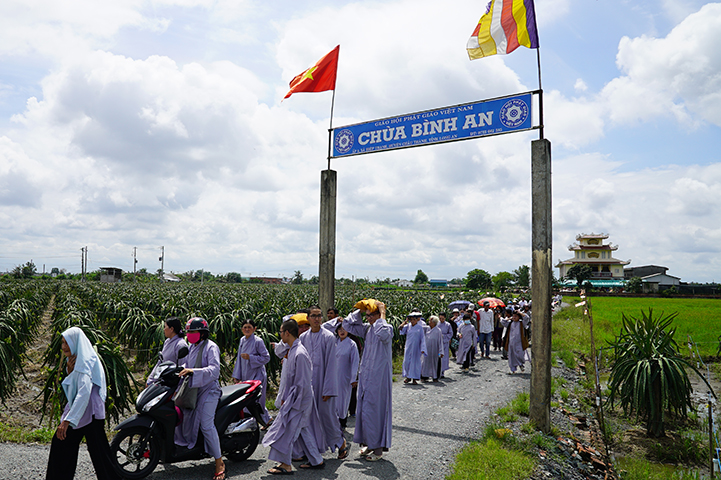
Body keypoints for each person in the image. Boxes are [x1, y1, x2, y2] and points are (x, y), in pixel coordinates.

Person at [46, 327, 121, 480]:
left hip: (86, 411)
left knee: (62, 442)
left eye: (67, 343)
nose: (64, 347)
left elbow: (83, 392)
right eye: (62, 343)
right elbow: (79, 384)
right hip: (90, 411)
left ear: (75, 342)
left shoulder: (83, 362)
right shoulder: (81, 357)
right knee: (99, 451)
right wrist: (70, 371)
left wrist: (68, 420)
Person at [263, 319, 325, 474]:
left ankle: (286, 464)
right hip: (296, 397)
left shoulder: (299, 353)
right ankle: (317, 460)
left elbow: (302, 383)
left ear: (287, 333)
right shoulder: (293, 351)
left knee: (289, 431)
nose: (280, 335)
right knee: (303, 429)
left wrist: (293, 402)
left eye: (281, 332)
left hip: (299, 399)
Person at [174, 318, 226, 480]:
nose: (189, 335)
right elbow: (187, 364)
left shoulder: (211, 347)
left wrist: (193, 371)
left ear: (202, 333)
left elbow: (214, 370)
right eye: (188, 332)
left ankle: (219, 461)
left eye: (192, 332)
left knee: (206, 424)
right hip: (195, 389)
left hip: (209, 390)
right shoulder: (191, 347)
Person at [341, 300, 392, 461]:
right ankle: (369, 444)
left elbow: (383, 334)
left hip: (379, 378)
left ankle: (378, 450)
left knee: (376, 411)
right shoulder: (368, 329)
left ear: (379, 314)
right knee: (365, 411)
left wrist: (382, 312)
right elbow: (347, 325)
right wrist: (361, 311)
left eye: (371, 315)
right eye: (367, 316)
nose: (368, 318)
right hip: (367, 377)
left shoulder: (386, 328)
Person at [296, 305, 349, 459]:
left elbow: (332, 365)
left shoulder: (328, 337)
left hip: (324, 383)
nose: (317, 319)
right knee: (309, 417)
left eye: (319, 316)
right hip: (308, 383)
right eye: (313, 316)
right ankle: (312, 449)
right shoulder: (303, 337)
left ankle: (341, 443)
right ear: (308, 318)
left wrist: (329, 389)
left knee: (327, 416)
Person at [231, 319, 272, 425]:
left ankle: (264, 420)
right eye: (245, 327)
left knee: (257, 400)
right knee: (248, 400)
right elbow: (239, 359)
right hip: (246, 375)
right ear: (241, 329)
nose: (247, 329)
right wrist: (237, 375)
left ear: (254, 329)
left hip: (257, 375)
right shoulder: (242, 340)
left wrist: (251, 358)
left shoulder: (258, 341)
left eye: (249, 327)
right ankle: (262, 420)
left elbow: (266, 358)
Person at [147, 317, 188, 385]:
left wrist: (179, 388)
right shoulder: (167, 342)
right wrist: (150, 380)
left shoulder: (180, 345)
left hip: (173, 383)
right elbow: (160, 362)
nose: (164, 329)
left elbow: (183, 368)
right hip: (163, 381)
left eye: (165, 327)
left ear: (171, 329)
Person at [335, 323, 359, 429]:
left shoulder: (351, 344)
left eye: (344, 329)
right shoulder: (333, 342)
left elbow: (355, 362)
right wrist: (336, 320)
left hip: (345, 377)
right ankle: (333, 423)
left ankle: (342, 422)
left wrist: (353, 378)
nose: (342, 331)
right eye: (339, 329)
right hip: (333, 376)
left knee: (343, 399)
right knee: (333, 399)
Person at [399, 311, 427, 385]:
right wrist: (404, 322)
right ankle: (408, 377)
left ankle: (414, 379)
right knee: (407, 362)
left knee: (415, 363)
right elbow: (400, 329)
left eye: (414, 319)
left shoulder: (420, 328)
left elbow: (422, 338)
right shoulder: (408, 326)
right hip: (408, 347)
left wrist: (423, 348)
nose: (412, 321)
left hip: (416, 348)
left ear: (417, 320)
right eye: (411, 320)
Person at [420, 316, 444, 382]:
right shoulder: (426, 329)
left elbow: (440, 341)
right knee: (425, 363)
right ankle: (424, 376)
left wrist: (441, 352)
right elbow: (419, 328)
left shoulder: (438, 331)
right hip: (427, 350)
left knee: (435, 364)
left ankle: (435, 377)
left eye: (430, 321)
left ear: (434, 322)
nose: (429, 322)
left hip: (435, 350)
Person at [437, 312, 453, 377]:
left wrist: (445, 338)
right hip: (438, 343)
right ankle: (437, 371)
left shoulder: (448, 325)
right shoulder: (437, 324)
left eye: (442, 318)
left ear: (445, 318)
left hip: (445, 343)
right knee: (438, 357)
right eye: (440, 318)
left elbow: (450, 333)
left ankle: (442, 372)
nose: (441, 320)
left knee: (444, 358)